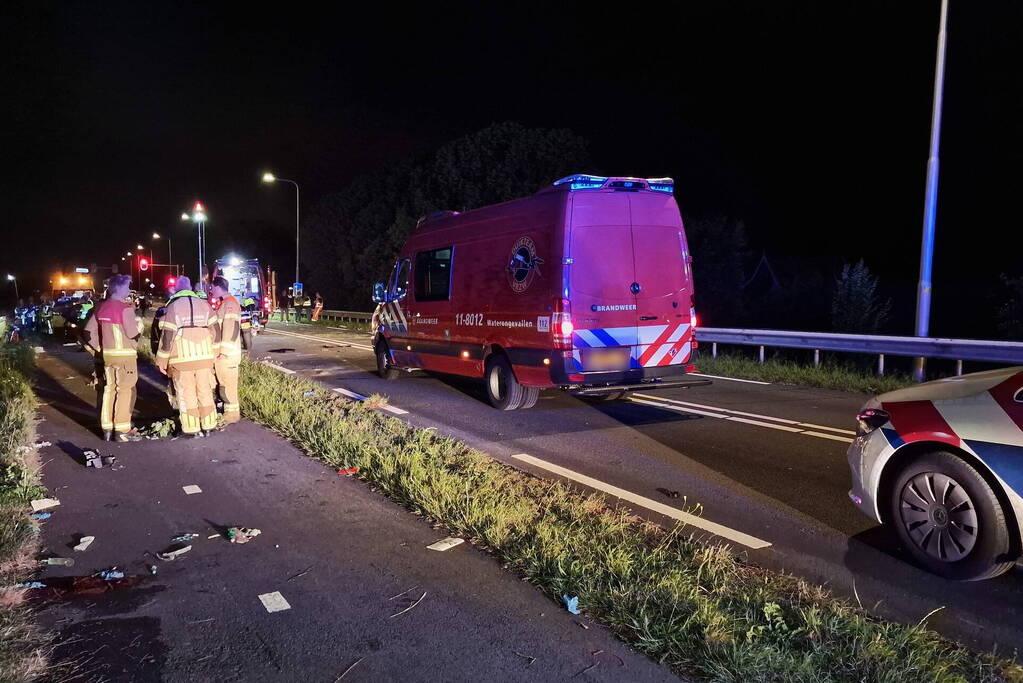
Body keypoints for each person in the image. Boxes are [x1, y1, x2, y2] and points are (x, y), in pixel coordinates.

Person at [155, 276, 221, 438]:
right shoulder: (204, 305)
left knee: (186, 394)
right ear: (190, 288)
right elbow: (216, 331)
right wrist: (214, 353)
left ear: (177, 289)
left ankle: (192, 429)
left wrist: (161, 360)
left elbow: (167, 337)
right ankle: (209, 426)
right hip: (205, 357)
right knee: (205, 391)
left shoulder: (173, 306)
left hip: (181, 359)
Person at [81, 275, 143, 441]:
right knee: (125, 392)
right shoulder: (125, 309)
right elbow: (133, 335)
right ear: (120, 289)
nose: (129, 290)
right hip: (126, 359)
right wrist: (140, 327)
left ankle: (107, 429)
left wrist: (100, 349)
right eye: (127, 287)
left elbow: (87, 333)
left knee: (109, 390)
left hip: (108, 358)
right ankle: (122, 431)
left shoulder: (102, 308)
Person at [209, 277, 242, 424]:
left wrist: (224, 351)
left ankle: (233, 415)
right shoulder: (225, 303)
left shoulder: (229, 304)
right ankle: (228, 413)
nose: (211, 291)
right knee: (224, 385)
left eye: (212, 288)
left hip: (228, 355)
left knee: (228, 386)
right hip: (225, 355)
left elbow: (231, 328)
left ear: (218, 287)